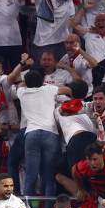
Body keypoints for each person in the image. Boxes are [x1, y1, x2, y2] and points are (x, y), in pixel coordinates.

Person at [14, 68, 71, 197]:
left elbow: (20, 84)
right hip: (50, 133)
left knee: (31, 174)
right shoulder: (49, 89)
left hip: (31, 134)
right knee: (49, 174)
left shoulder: (22, 92)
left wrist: (28, 81)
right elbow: (68, 90)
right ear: (42, 81)